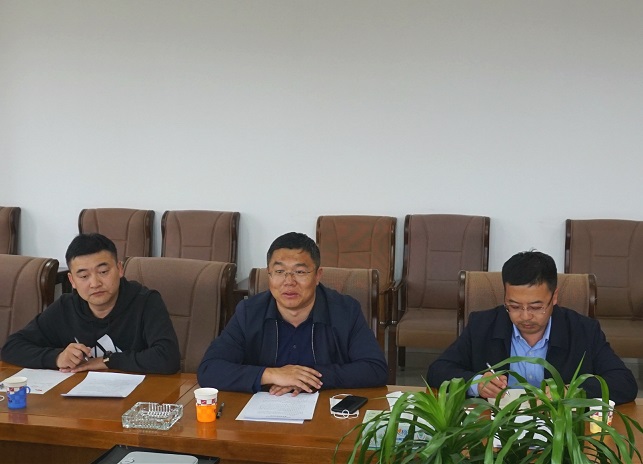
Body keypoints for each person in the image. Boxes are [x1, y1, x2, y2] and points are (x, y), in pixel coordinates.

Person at [427, 250, 638, 405]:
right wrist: (476, 384)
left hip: (559, 431)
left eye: (536, 307)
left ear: (554, 297)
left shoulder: (583, 330)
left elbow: (624, 383)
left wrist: (569, 391)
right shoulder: (482, 325)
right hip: (495, 429)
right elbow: (438, 370)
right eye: (514, 306)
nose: (525, 316)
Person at [198, 232, 388, 395]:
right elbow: (209, 369)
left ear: (318, 275)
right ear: (269, 274)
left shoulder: (345, 310)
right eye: (279, 271)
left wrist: (305, 377)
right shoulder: (249, 312)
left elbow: (375, 369)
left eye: (300, 272)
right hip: (263, 415)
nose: (289, 281)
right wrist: (272, 375)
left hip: (327, 413)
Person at [1, 233, 181, 374]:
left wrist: (106, 361)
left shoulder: (145, 301)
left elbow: (168, 358)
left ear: (119, 269)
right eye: (84, 276)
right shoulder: (65, 307)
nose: (95, 283)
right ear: (72, 280)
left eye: (103, 272)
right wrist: (57, 357)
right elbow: (12, 347)